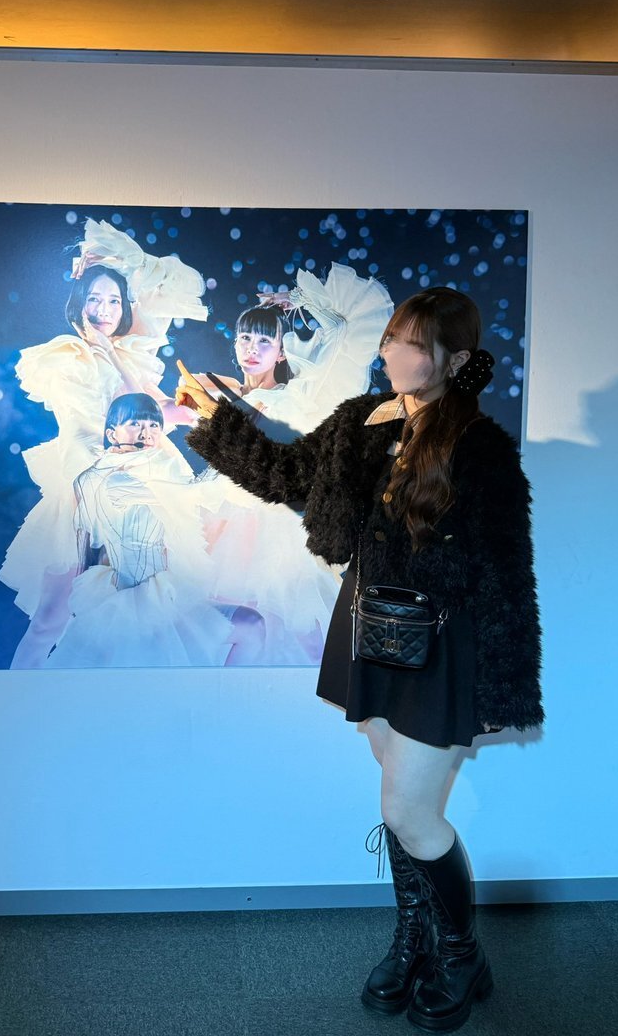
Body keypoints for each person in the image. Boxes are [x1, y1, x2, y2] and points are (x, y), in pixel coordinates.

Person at [177, 285, 544, 1032]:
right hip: (369, 630)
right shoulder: (362, 421)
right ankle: (415, 938)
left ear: (455, 360)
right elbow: (285, 476)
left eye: (412, 343)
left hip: (441, 644)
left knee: (408, 811)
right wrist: (216, 421)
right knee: (399, 806)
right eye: (391, 338)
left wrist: (502, 687)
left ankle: (462, 955)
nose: (392, 353)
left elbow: (507, 575)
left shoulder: (480, 447)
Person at [0, 218, 207, 667]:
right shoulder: (65, 356)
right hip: (84, 481)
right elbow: (98, 424)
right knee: (51, 618)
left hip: (134, 486)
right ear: (79, 302)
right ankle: (15, 695)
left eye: (114, 300)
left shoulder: (126, 353)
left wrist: (184, 406)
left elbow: (152, 409)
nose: (104, 309)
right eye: (94, 298)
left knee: (134, 612)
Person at [187, 264, 394, 664]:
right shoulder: (219, 390)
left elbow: (350, 327)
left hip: (273, 531)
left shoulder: (294, 395)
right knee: (219, 627)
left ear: (281, 351)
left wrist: (302, 300)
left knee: (286, 630)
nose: (252, 348)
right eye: (245, 338)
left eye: (265, 341)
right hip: (222, 517)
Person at [44, 393, 232, 668]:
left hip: (165, 591)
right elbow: (90, 543)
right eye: (135, 424)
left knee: (251, 628)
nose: (146, 433)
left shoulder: (155, 468)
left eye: (154, 425)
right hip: (138, 600)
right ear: (112, 433)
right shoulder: (116, 478)